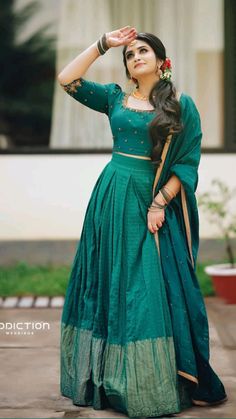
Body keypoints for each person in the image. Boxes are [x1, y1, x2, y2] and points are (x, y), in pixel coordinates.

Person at [58, 26, 228, 418]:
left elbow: (186, 163)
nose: (136, 55)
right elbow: (68, 79)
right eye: (130, 53)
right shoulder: (115, 99)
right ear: (129, 69)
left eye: (143, 50)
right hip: (110, 197)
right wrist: (103, 44)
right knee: (108, 282)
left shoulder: (181, 105)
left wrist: (160, 203)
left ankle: (150, 381)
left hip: (148, 200)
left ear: (161, 61)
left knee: (146, 289)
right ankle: (104, 378)